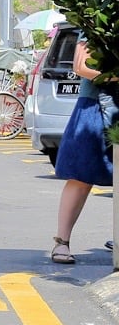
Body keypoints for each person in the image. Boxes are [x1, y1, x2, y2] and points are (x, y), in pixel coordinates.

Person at [50, 34, 116, 263]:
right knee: (80, 177)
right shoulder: (93, 19)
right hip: (95, 103)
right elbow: (81, 66)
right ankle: (62, 242)